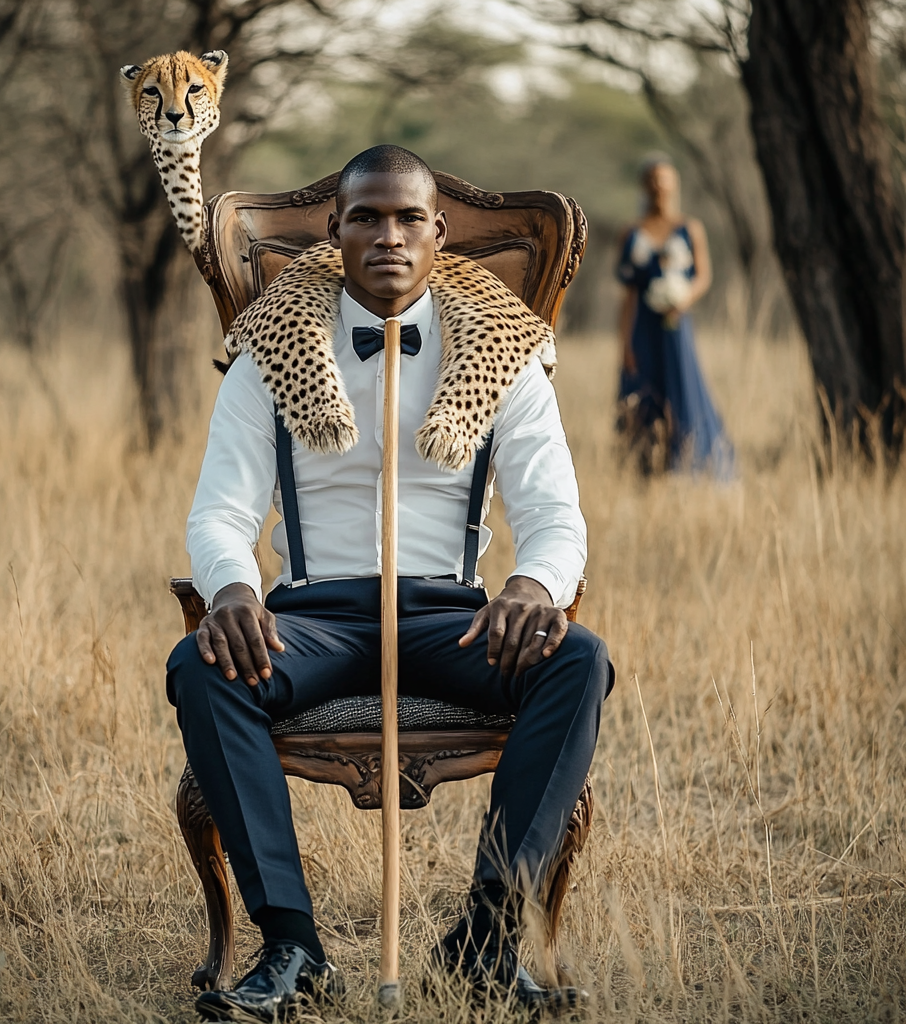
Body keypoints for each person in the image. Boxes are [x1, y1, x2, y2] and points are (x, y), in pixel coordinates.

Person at [166, 145, 614, 1022]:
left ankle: (486, 941)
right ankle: (292, 945)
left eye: (409, 217)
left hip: (448, 616)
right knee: (200, 666)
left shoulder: (508, 353)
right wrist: (230, 590)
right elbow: (220, 512)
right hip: (312, 620)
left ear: (439, 233)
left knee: (580, 659)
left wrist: (534, 583)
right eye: (365, 216)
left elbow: (556, 515)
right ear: (333, 230)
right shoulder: (268, 348)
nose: (388, 235)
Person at [616, 156, 735, 478]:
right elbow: (627, 295)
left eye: (664, 178)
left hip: (675, 324)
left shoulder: (689, 228)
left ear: (674, 184)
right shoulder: (631, 232)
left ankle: (689, 463)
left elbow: (703, 276)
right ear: (644, 185)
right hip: (643, 325)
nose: (659, 185)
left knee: (682, 385)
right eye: (653, 179)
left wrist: (682, 297)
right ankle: (643, 463)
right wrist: (625, 343)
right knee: (642, 387)